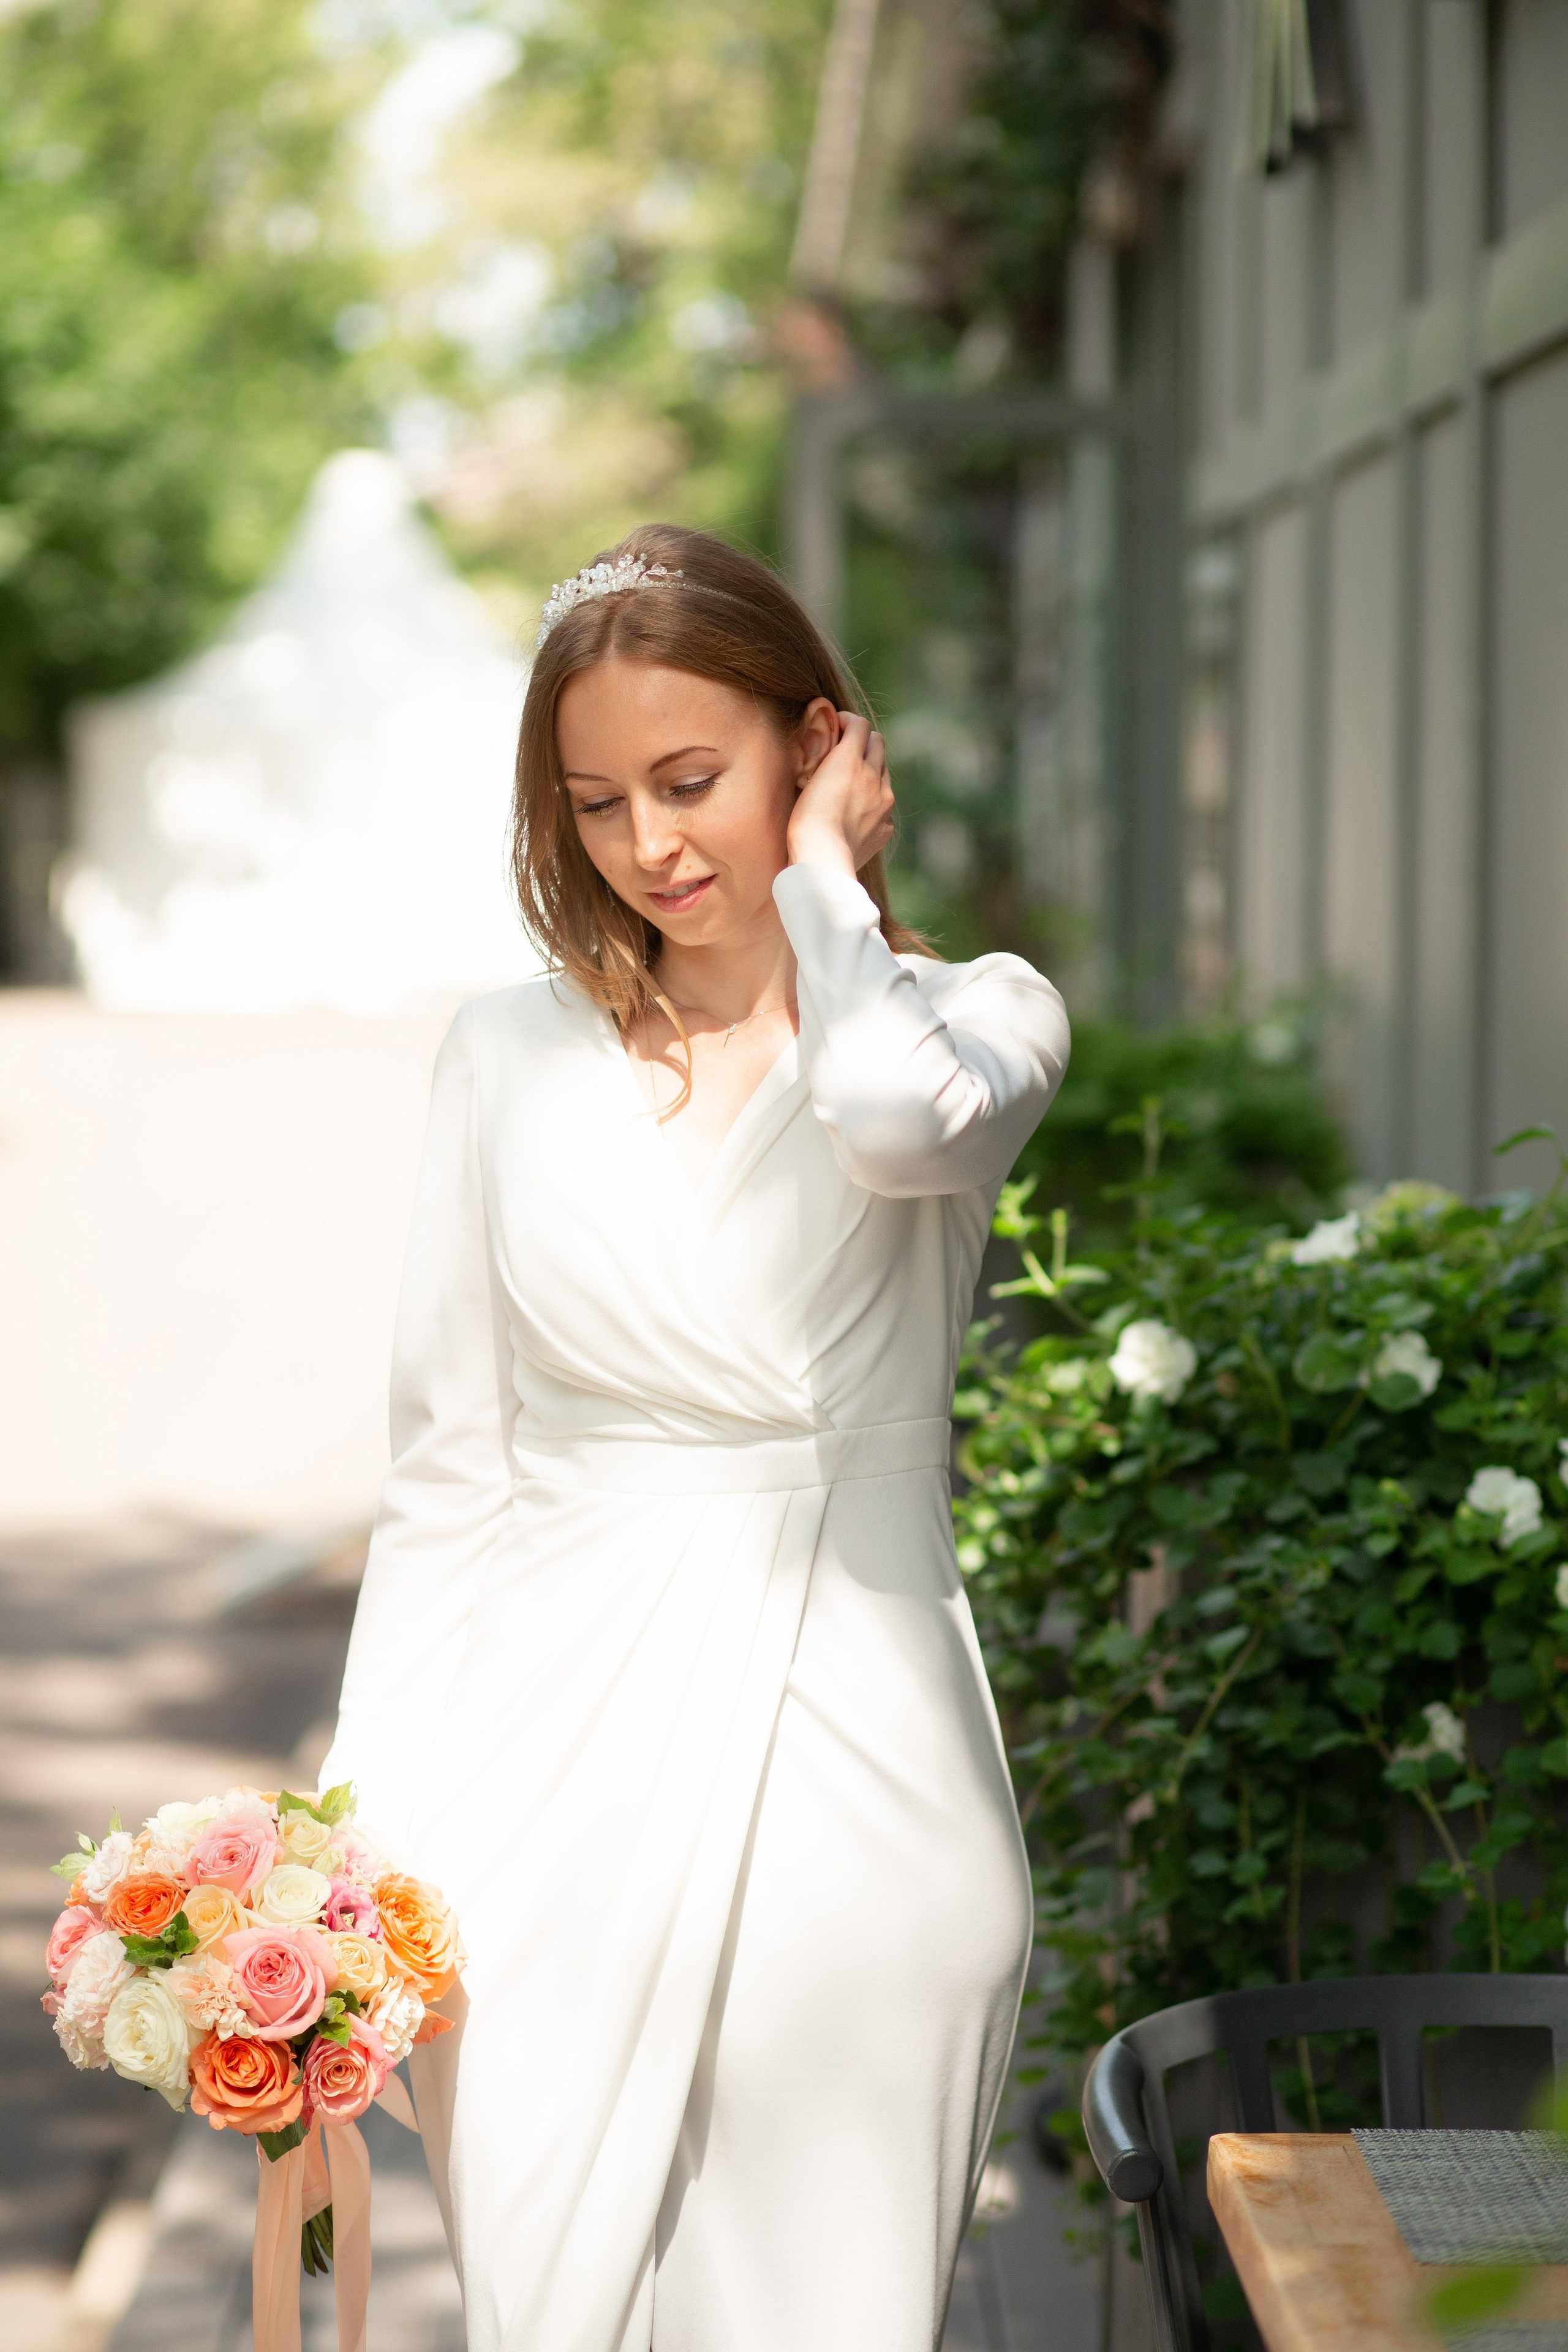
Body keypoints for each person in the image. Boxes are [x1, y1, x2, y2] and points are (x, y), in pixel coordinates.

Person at [319, 524, 1071, 2352]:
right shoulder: (503, 1056)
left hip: (863, 1794)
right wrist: (354, 1845)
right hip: (539, 1782)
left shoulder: (979, 1019)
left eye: (692, 780)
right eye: (594, 805)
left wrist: (828, 887)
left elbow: (892, 1126)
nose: (650, 847)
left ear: (820, 749)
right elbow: (447, 1479)